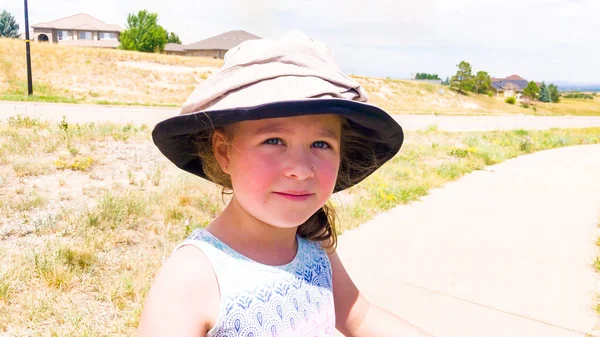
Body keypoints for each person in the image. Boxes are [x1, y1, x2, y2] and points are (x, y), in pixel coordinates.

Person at [138, 31, 435, 337]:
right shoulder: (193, 277)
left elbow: (359, 317)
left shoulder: (315, 247)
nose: (301, 169)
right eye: (274, 140)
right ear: (224, 152)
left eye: (320, 144)